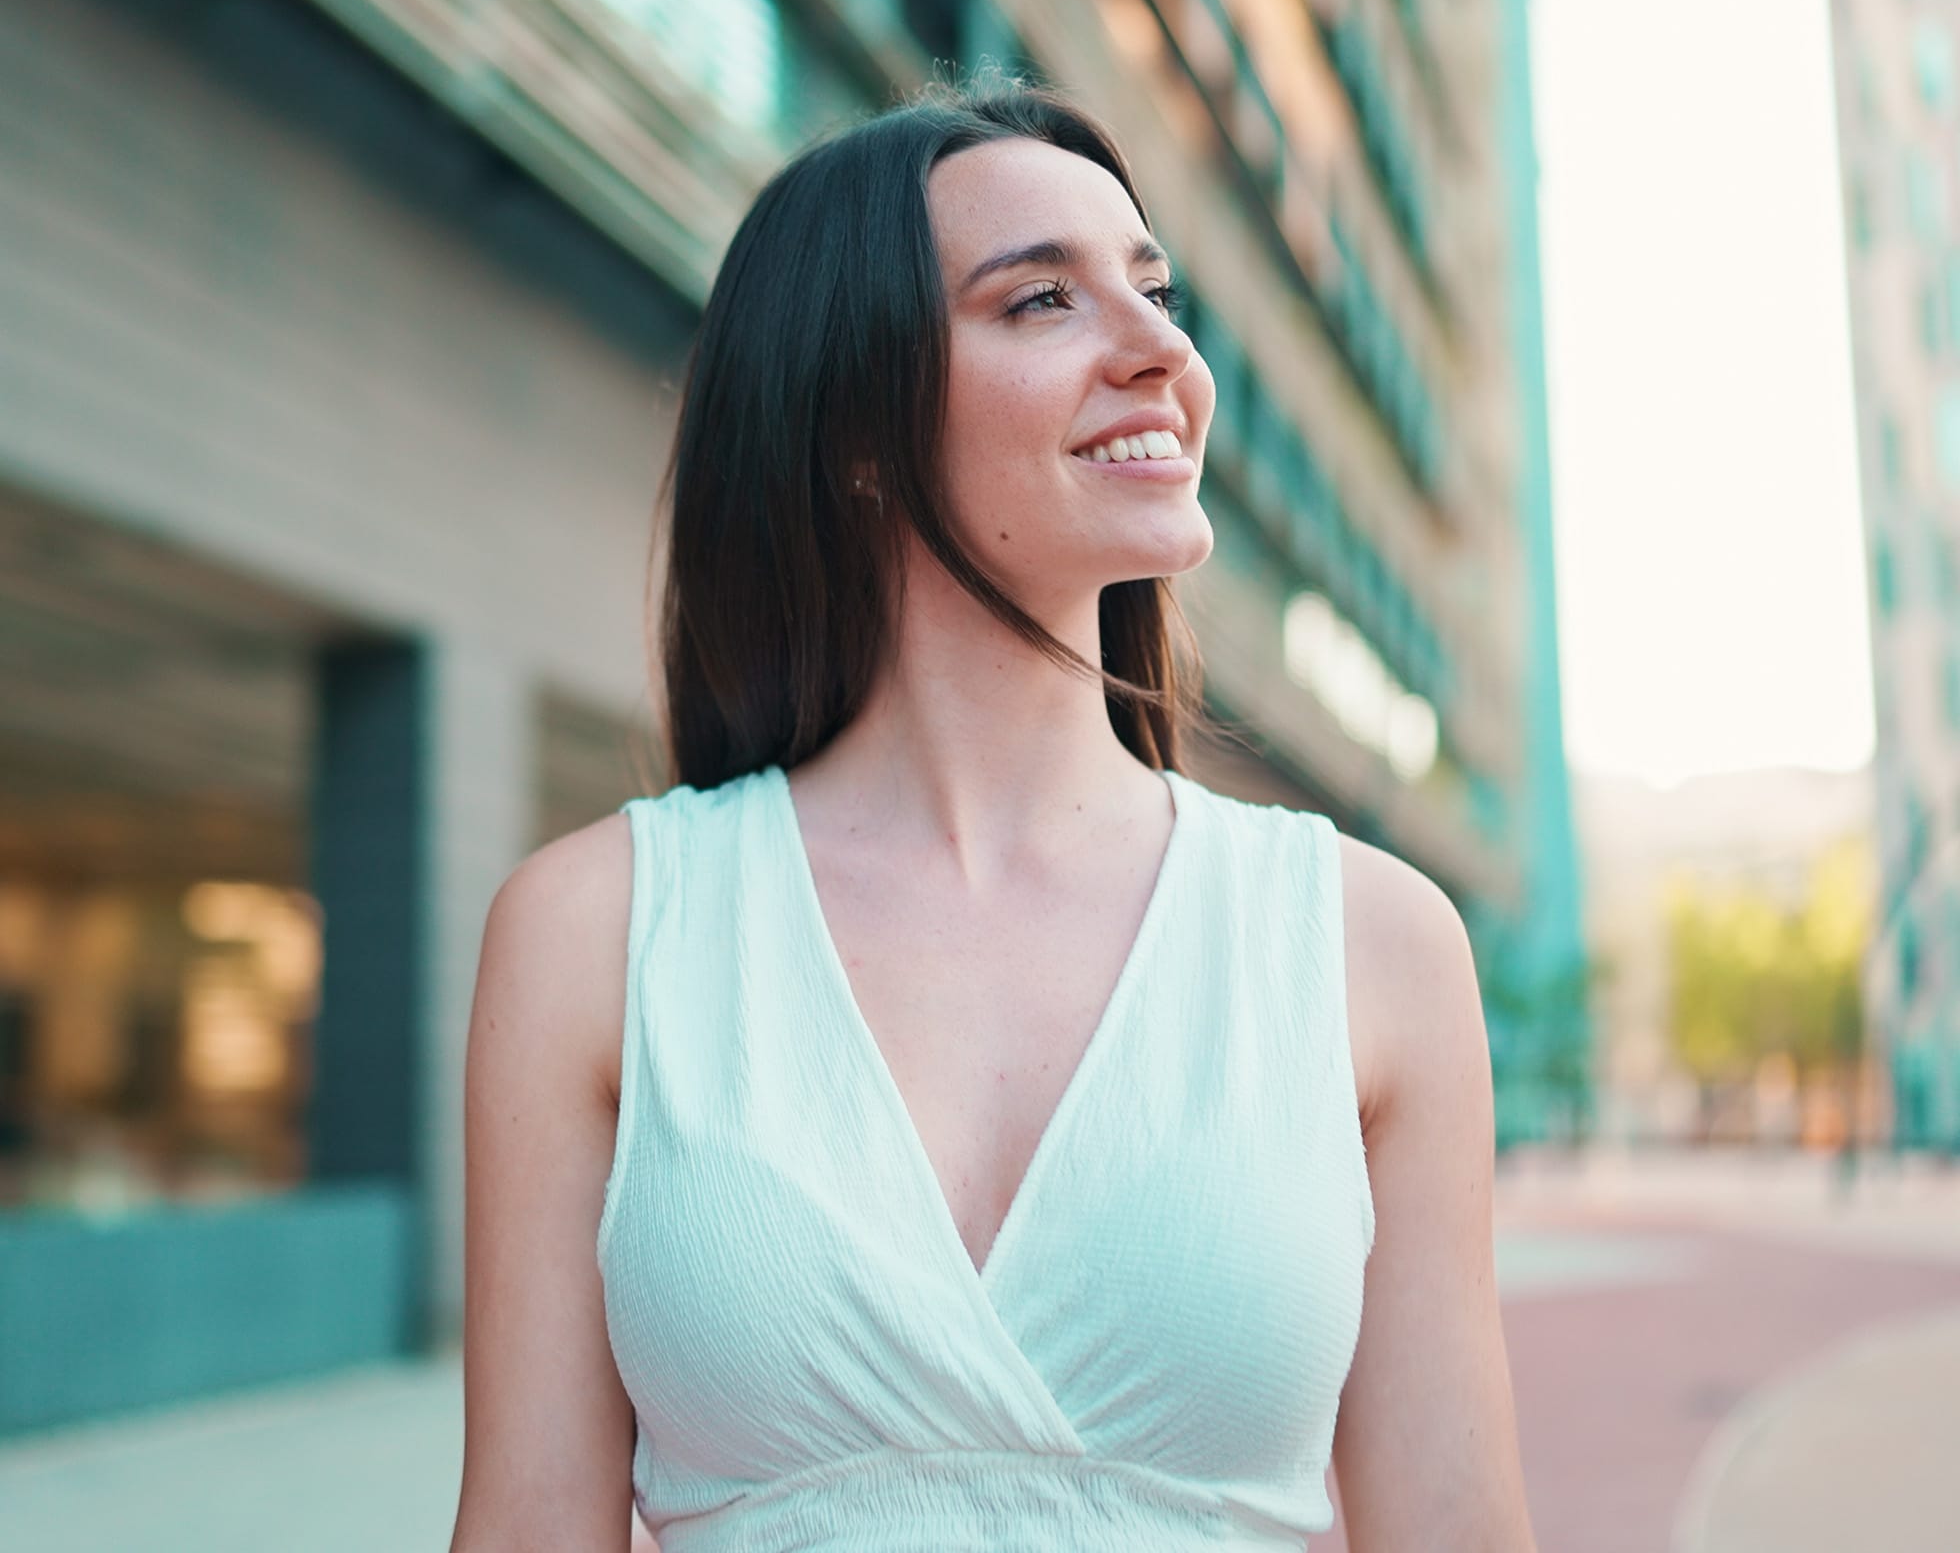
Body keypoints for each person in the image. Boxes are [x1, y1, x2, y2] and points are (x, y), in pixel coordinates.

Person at [449, 75, 1537, 1552]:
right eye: (1043, 303)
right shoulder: (598, 933)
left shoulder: (1373, 942)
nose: (1163, 354)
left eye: (1155, 292)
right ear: (858, 425)